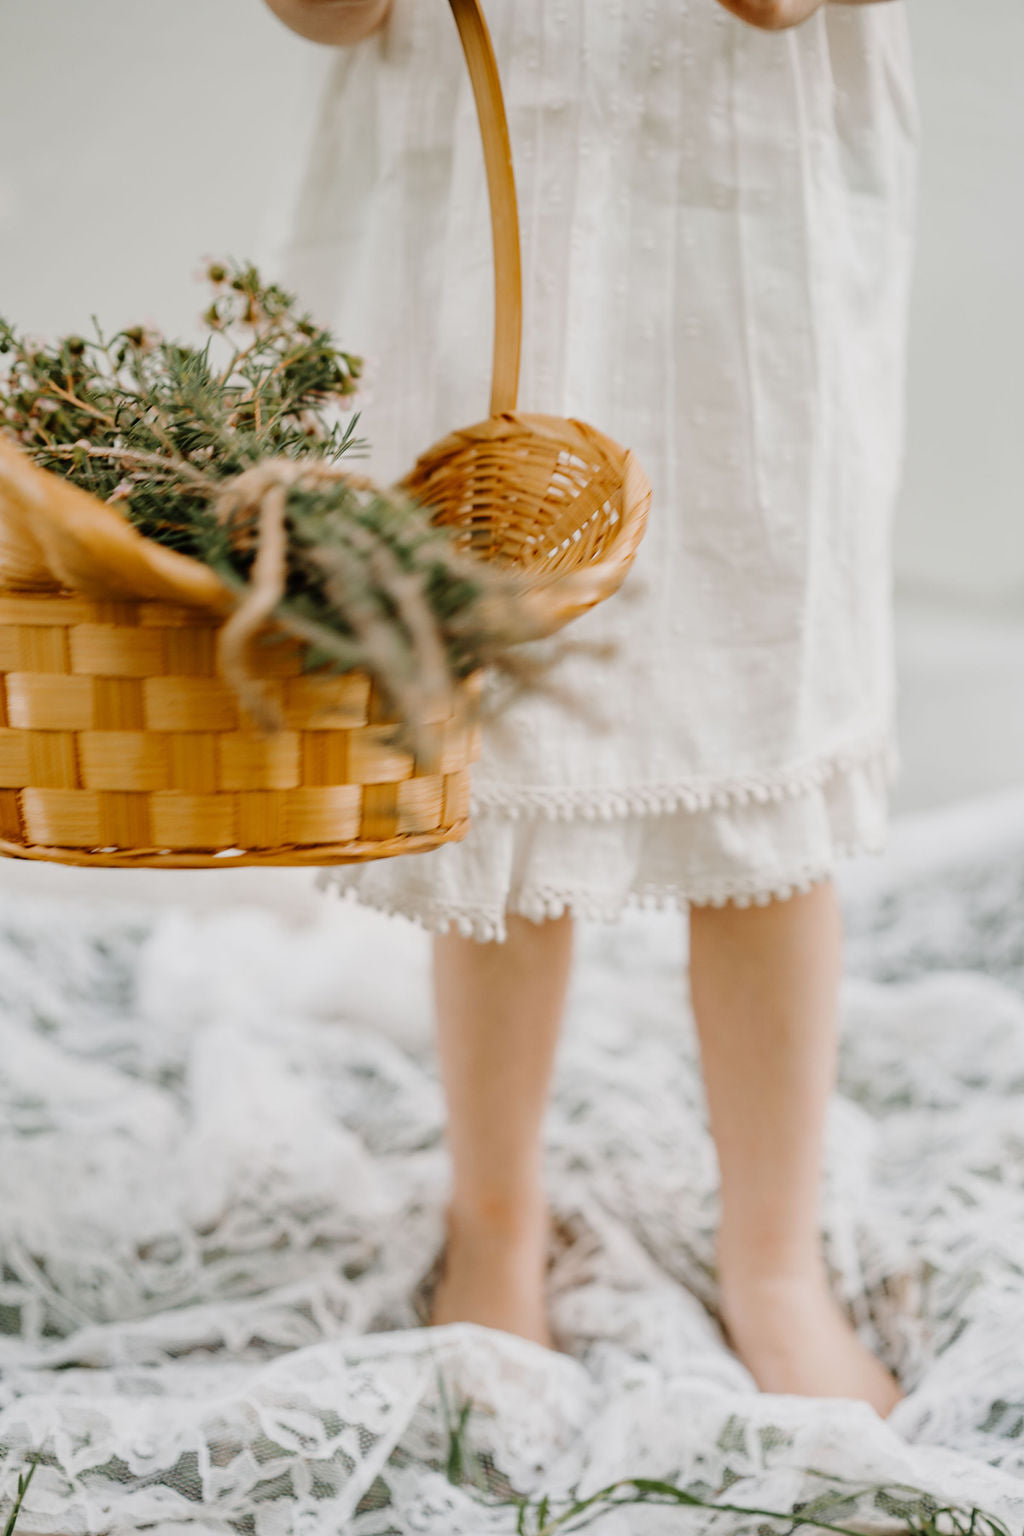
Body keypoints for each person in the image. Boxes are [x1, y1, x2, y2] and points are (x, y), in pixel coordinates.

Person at [261, 0, 917, 1416]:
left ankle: (774, 1251)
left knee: (760, 732)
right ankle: (494, 1210)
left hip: (735, 215)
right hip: (482, 219)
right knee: (495, 749)